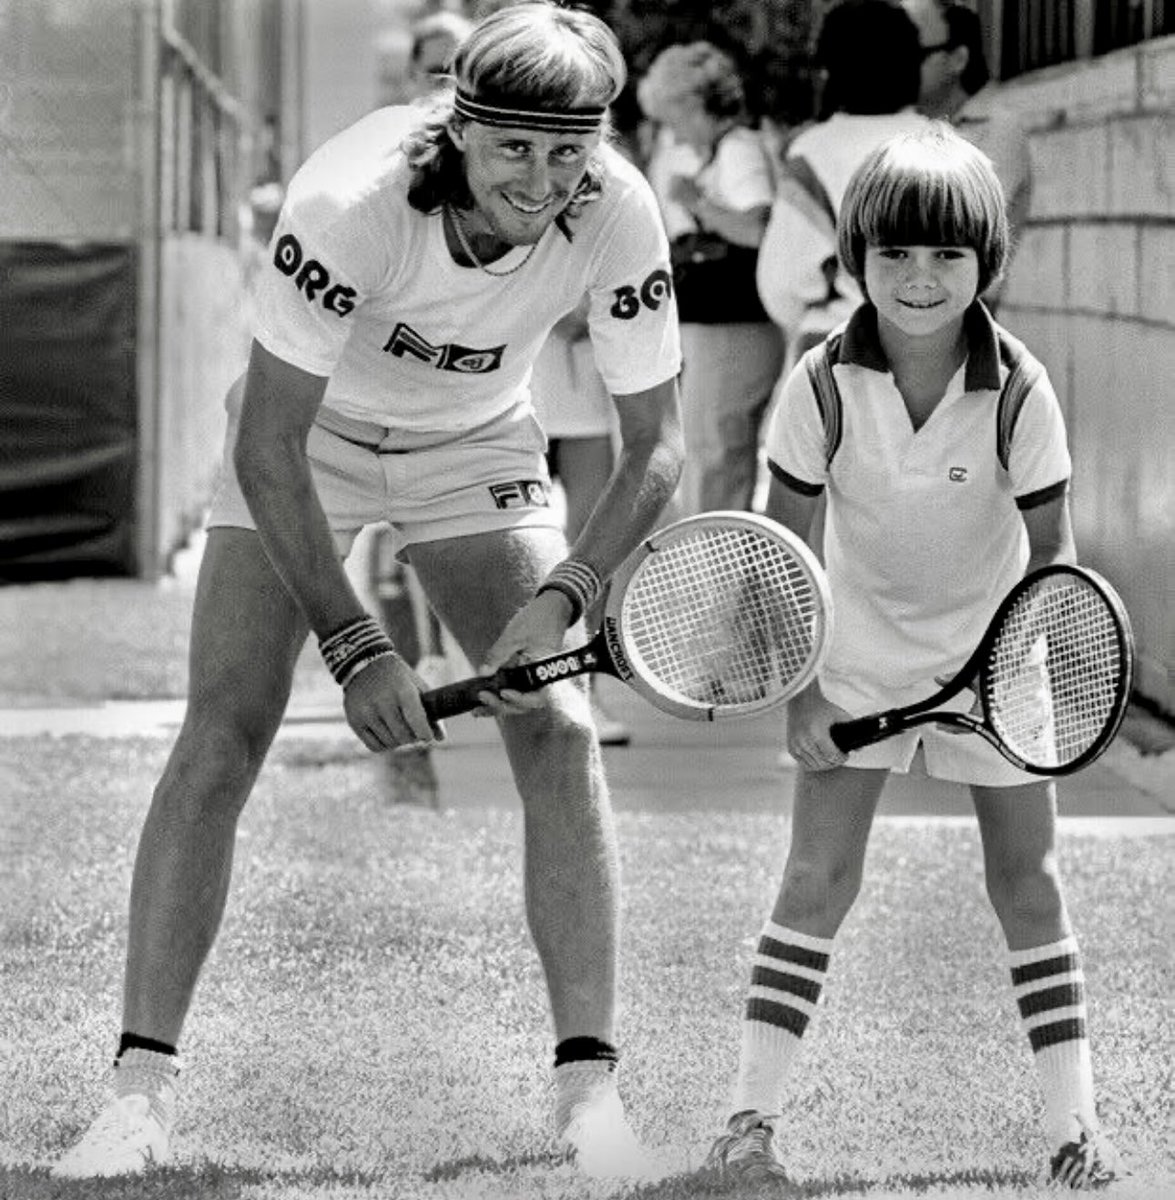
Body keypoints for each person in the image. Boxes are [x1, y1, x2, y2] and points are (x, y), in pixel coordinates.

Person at [51, 0, 683, 1181]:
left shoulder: (617, 208)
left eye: (568, 152)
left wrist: (566, 599)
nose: (541, 181)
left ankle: (590, 1100)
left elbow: (655, 445)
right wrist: (354, 645)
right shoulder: (352, 202)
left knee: (556, 725)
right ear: (459, 126)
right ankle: (135, 1101)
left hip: (479, 444)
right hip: (311, 443)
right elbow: (266, 448)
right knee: (223, 734)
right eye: (513, 149)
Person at [704, 125, 1126, 1190]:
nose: (919, 277)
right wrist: (800, 693)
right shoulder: (816, 383)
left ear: (986, 261)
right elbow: (782, 552)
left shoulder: (1022, 387)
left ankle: (1075, 1132)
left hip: (997, 660)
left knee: (1024, 882)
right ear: (854, 259)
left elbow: (1052, 557)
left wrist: (1004, 669)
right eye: (892, 254)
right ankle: (747, 1124)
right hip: (852, 661)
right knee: (815, 878)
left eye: (946, 255)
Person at [636, 42, 783, 517]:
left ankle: (717, 578)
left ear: (692, 105)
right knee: (708, 451)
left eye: (669, 116)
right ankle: (715, 569)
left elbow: (759, 229)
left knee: (715, 454)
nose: (669, 132)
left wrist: (697, 203)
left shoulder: (737, 151)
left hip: (732, 327)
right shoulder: (720, 151)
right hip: (718, 330)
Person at [756, 0, 929, 366]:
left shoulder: (813, 153)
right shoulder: (952, 146)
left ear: (828, 70)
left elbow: (783, 281)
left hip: (839, 347)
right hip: (937, 353)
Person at [531, 299, 631, 746]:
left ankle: (581, 686)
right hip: (508, 402)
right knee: (514, 543)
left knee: (594, 545)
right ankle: (509, 673)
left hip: (584, 401)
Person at [902, 0, 1033, 314]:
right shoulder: (905, 127)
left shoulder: (998, 129)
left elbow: (963, 230)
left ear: (958, 59)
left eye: (915, 54)